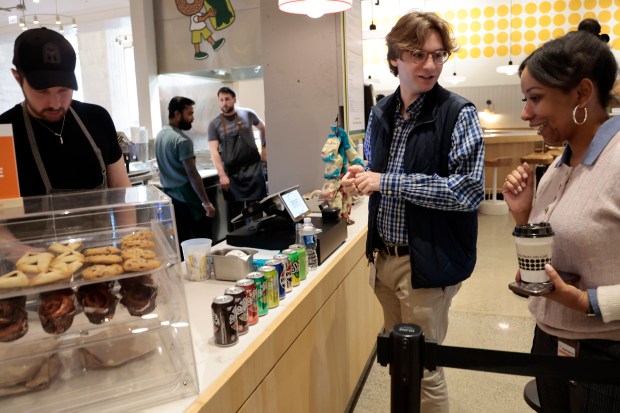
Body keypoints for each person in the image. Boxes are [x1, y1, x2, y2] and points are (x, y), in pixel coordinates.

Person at [341, 11, 485, 412]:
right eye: (418, 55)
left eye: (438, 56)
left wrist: (386, 181)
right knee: (399, 360)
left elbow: (468, 192)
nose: (431, 65)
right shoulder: (381, 112)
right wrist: (361, 177)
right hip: (384, 257)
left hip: (428, 260)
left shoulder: (459, 113)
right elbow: (374, 169)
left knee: (424, 366)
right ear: (395, 59)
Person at [503, 29, 620, 412]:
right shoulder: (558, 165)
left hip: (606, 354)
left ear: (582, 94)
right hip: (550, 339)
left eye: (535, 98)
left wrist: (583, 301)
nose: (525, 113)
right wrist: (524, 216)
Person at [0, 27, 131, 196]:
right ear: (18, 78)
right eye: (42, 91)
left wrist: (129, 224)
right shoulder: (3, 132)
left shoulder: (97, 118)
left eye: (63, 90)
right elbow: (4, 213)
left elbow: (121, 188)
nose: (55, 104)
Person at [155, 96, 216, 253]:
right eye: (189, 114)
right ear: (177, 114)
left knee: (181, 242)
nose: (192, 118)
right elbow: (193, 175)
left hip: (171, 198)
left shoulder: (161, 135)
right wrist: (207, 204)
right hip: (187, 198)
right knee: (202, 239)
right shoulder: (182, 141)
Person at [208, 87, 267, 223]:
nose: (224, 103)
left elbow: (263, 128)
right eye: (221, 100)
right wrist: (222, 175)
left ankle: (258, 238)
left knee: (257, 210)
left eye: (227, 99)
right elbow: (214, 151)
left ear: (234, 100)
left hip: (253, 170)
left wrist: (264, 149)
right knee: (237, 217)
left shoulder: (248, 114)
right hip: (232, 175)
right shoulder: (214, 124)